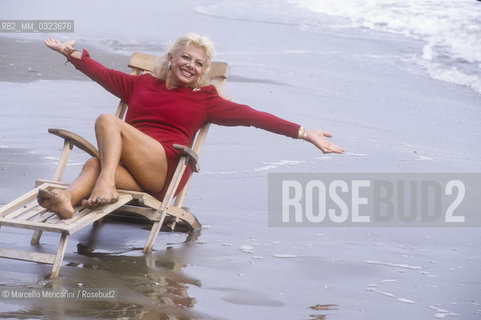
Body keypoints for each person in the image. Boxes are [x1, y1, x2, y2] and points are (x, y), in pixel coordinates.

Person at [38, 34, 344, 219]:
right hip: (131, 171)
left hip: (164, 170)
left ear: (203, 72)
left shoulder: (206, 100)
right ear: (172, 58)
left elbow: (254, 116)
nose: (191, 66)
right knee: (93, 162)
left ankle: (104, 184)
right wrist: (71, 53)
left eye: (199, 64)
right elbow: (102, 72)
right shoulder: (141, 84)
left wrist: (304, 133)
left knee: (107, 121)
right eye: (186, 57)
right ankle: (67, 201)